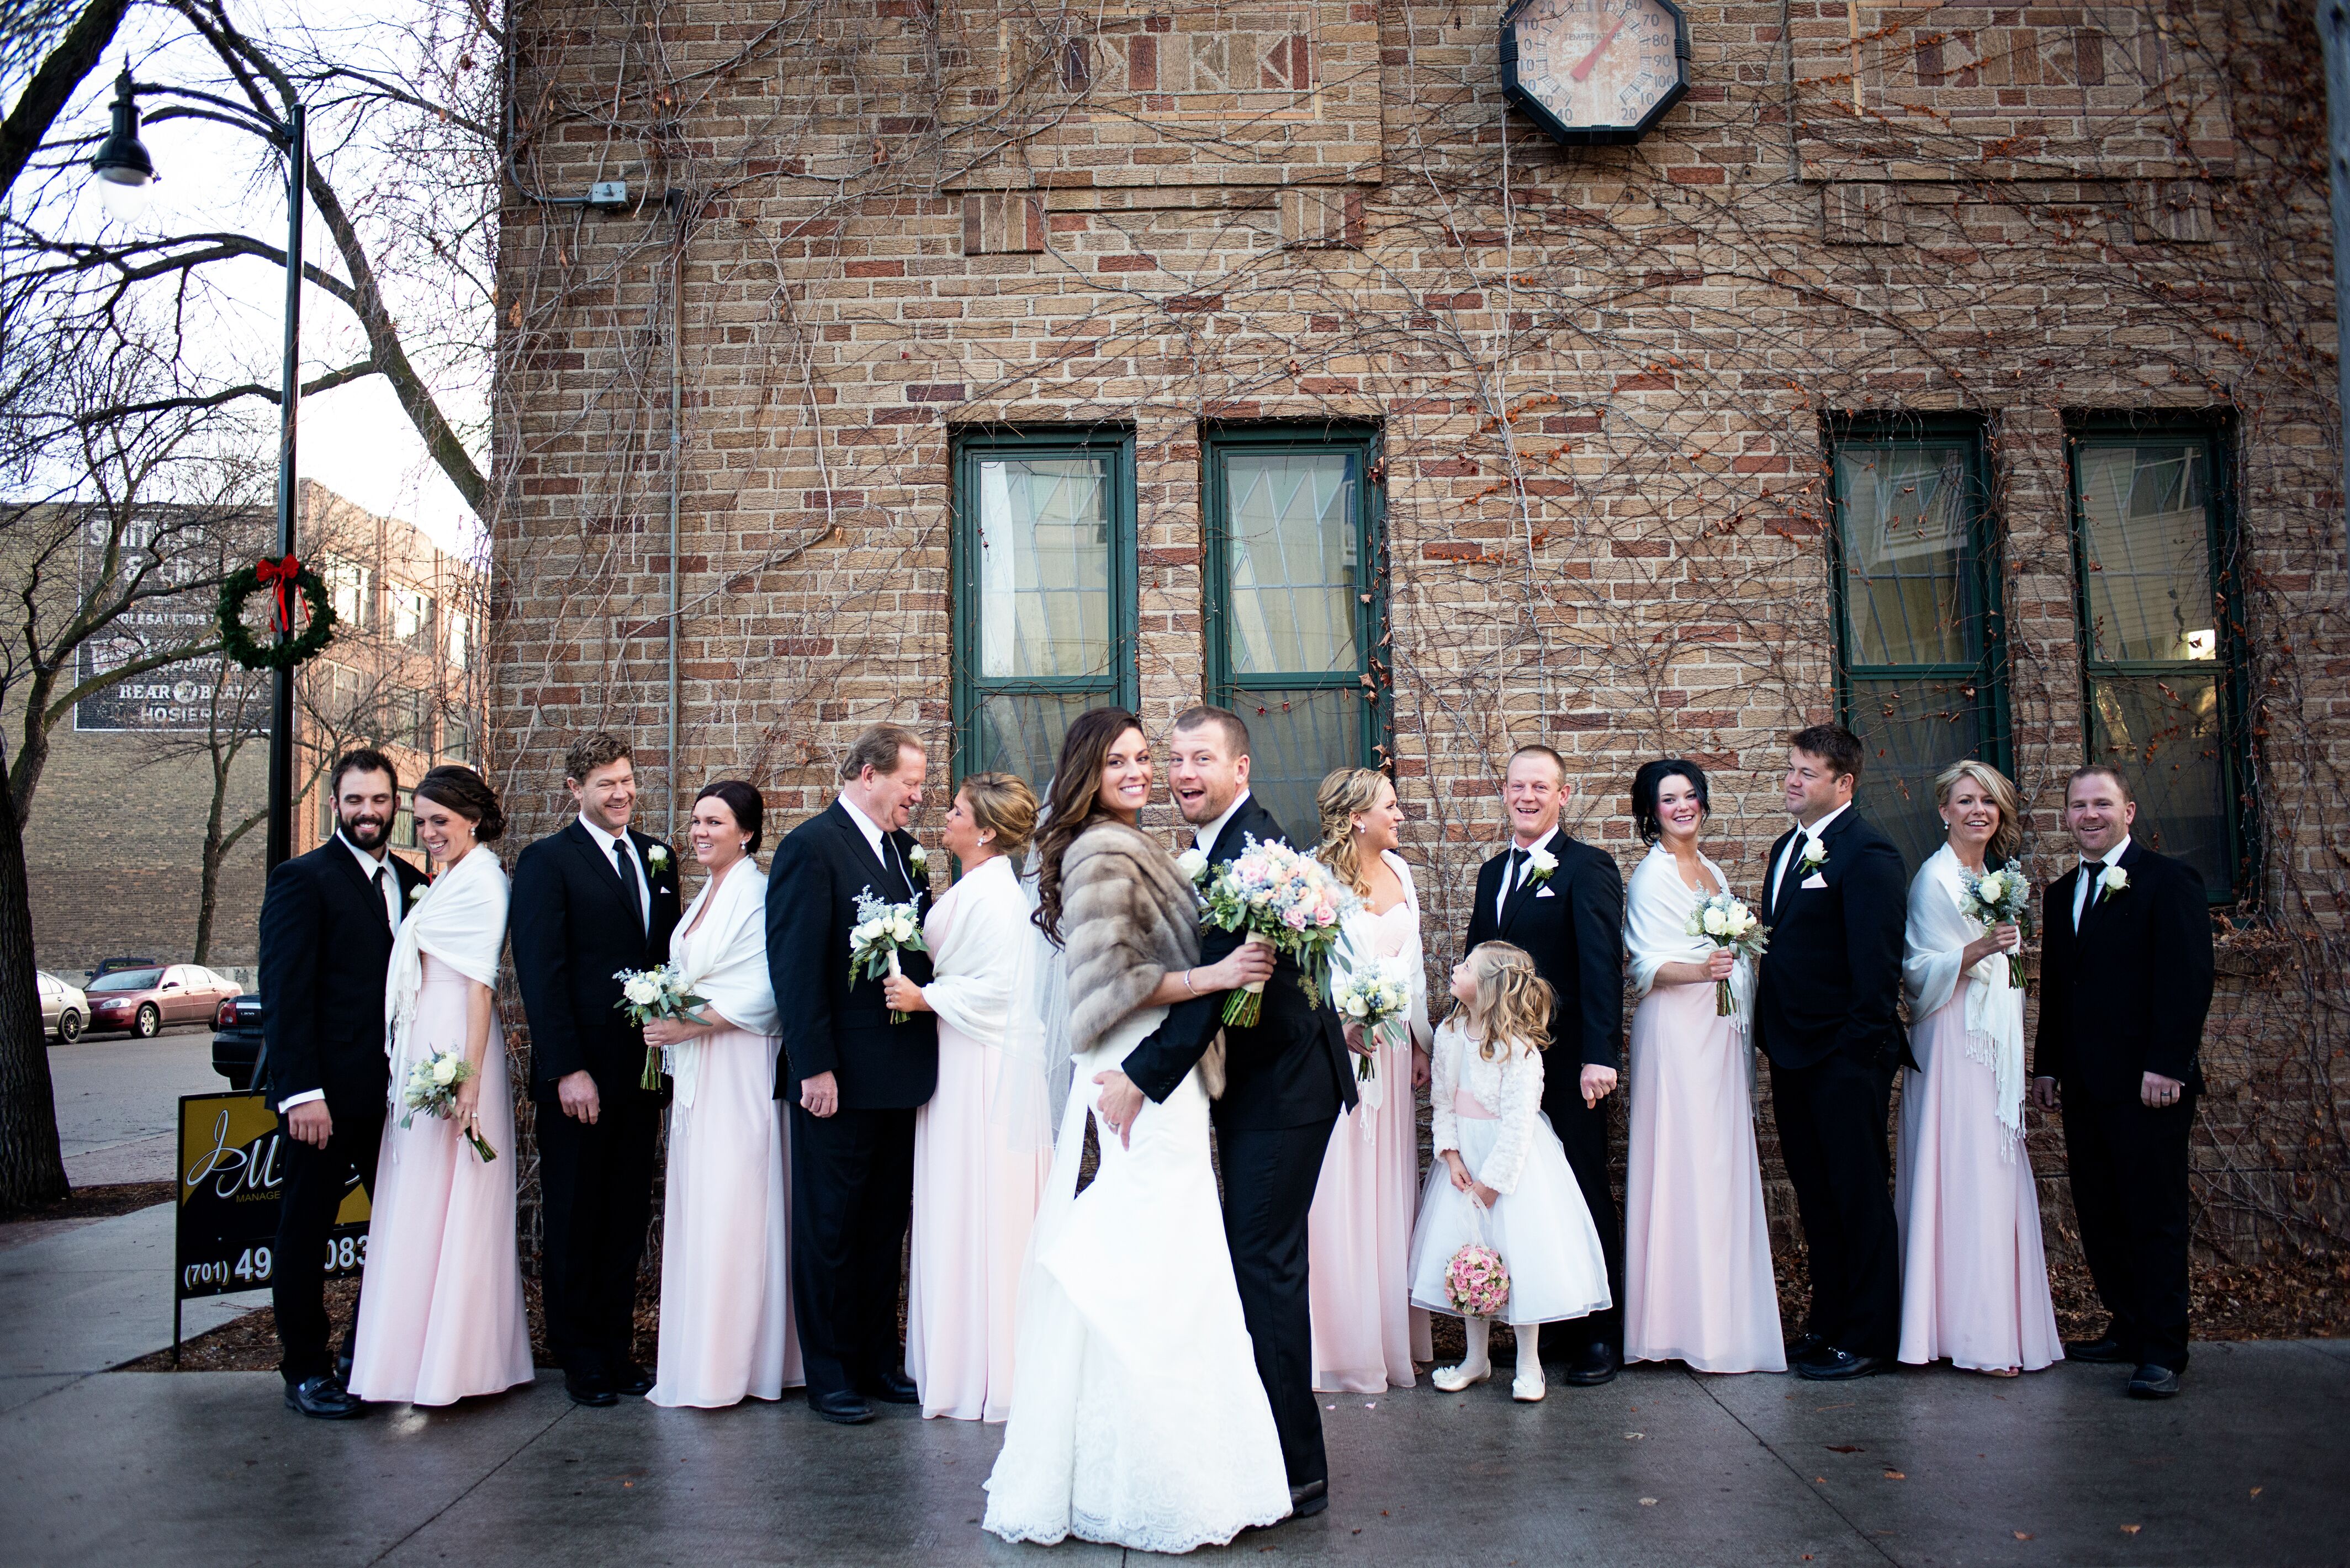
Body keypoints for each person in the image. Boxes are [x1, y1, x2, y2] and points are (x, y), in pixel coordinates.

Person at [983, 707, 1293, 1551]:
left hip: (1162, 1074)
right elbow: (1114, 978)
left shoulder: (1132, 844)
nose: (1140, 771)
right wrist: (1216, 974)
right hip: (1136, 1070)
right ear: (1087, 772)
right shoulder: (1099, 851)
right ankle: (1149, 1472)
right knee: (1152, 1253)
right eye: (1119, 761)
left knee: (1167, 1252)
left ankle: (1152, 1460)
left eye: (1144, 757)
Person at [1098, 705, 1357, 1516]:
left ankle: (1297, 1468)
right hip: (1253, 1090)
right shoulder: (1212, 851)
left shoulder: (1252, 854)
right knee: (1257, 1270)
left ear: (1240, 769)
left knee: (1267, 1272)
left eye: (1200, 759)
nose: (1182, 775)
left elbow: (1213, 992)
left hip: (1282, 1095)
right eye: (1175, 760)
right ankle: (1263, 1448)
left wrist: (1139, 1075)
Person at [764, 723, 936, 1426]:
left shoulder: (903, 852)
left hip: (898, 1075)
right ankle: (830, 1370)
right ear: (868, 774)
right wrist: (816, 1066)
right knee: (829, 1227)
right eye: (910, 783)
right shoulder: (810, 847)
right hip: (836, 1078)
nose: (918, 797)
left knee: (880, 1225)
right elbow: (795, 966)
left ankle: (877, 1360)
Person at [346, 767, 533, 1406]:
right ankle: (408, 1358)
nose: (428, 833)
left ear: (472, 819)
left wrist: (469, 1081)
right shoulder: (446, 877)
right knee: (419, 1200)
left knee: (454, 1204)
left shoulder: (483, 878)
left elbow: (481, 984)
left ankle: (457, 1362)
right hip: (425, 1040)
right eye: (421, 821)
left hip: (456, 1049)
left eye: (440, 821)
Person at [509, 732, 684, 1407]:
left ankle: (616, 1348)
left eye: (628, 780)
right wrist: (566, 1069)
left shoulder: (657, 856)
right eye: (606, 783)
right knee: (577, 1213)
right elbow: (541, 972)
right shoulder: (547, 861)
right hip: (580, 1077)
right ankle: (579, 1355)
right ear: (575, 790)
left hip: (641, 1073)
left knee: (623, 1214)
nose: (621, 793)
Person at [2032, 765, 2215, 1400]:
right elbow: (2057, 989)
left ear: (2128, 811)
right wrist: (2047, 1066)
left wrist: (2167, 1064)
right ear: (2066, 815)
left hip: (2148, 1085)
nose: (2089, 815)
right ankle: (2127, 1323)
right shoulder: (2059, 894)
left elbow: (2187, 979)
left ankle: (2163, 1347)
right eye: (2078, 805)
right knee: (2099, 1210)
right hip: (2084, 1084)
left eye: (2101, 804)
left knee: (2152, 1214)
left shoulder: (2169, 881)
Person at [257, 749, 429, 1418]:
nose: (368, 811)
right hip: (324, 1099)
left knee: (399, 1224)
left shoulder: (413, 882)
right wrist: (301, 1091)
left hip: (394, 1098)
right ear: (335, 804)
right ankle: (303, 1366)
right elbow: (285, 991)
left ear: (396, 804)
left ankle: (366, 1353)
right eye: (355, 800)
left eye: (380, 800)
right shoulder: (303, 878)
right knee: (304, 1227)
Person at [887, 772, 1053, 1422]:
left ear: (984, 829)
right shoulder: (974, 886)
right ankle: (954, 1355)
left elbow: (999, 992)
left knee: (985, 1201)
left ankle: (986, 1364)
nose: (945, 816)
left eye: (956, 810)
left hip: (984, 1066)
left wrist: (925, 996)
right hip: (956, 1059)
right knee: (956, 1200)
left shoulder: (996, 897)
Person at [1462, 742, 1626, 1387]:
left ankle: (1598, 1333)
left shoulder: (1588, 867)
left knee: (1582, 1189)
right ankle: (1545, 1326)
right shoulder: (1488, 872)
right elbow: (1478, 966)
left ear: (1563, 794)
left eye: (1539, 787)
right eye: (1515, 786)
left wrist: (1598, 1057)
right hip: (1504, 1067)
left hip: (1566, 1066)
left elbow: (1600, 967)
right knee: (1525, 1197)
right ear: (1503, 792)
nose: (1525, 797)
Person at [1896, 760, 2063, 1377]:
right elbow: (1916, 970)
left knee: (1991, 1171)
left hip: (1991, 1042)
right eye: (1964, 800)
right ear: (1943, 811)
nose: (1977, 811)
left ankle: (1996, 1322)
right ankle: (1965, 1331)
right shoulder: (1933, 880)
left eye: (1988, 802)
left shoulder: (1993, 877)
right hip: (1952, 1036)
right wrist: (1978, 949)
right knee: (1961, 1169)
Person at [1753, 724, 1909, 1381]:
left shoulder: (1867, 853)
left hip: (1844, 1058)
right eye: (1789, 768)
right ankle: (1827, 1323)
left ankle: (1869, 1334)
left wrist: (1851, 1052)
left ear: (1843, 783)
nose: (1792, 780)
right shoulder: (1785, 848)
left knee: (1857, 1196)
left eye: (1806, 772)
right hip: (1791, 1053)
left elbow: (1875, 969)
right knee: (1816, 1196)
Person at [1619, 759, 1785, 1375]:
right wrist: (1704, 969)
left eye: (1690, 795)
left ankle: (1726, 1319)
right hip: (1677, 1035)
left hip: (1718, 1034)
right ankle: (1675, 1326)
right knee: (1684, 1164)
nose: (1683, 805)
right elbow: (1644, 965)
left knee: (1719, 1166)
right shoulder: (1651, 876)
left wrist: (1730, 964)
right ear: (1650, 811)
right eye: (1668, 799)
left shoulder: (1712, 870)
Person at [645, 781, 803, 1408]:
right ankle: (699, 1358)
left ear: (747, 832)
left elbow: (768, 989)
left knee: (735, 1206)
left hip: (738, 1064)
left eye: (714, 820)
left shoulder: (758, 895)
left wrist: (689, 1022)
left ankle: (737, 1364)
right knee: (702, 1206)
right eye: (695, 820)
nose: (700, 831)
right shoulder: (703, 897)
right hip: (698, 1073)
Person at [1406, 942, 1611, 1402]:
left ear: (1491, 986)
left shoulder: (1520, 1049)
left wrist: (1493, 1183)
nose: (1455, 969)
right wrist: (1452, 1156)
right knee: (1470, 1257)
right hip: (1464, 1164)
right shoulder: (1450, 1033)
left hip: (1512, 1166)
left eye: (1466, 967)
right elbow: (1441, 1101)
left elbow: (1520, 1124)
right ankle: (1475, 1360)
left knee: (1518, 1258)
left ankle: (1529, 1364)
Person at [1305, 766, 1432, 1394]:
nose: (1400, 814)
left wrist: (1418, 1041)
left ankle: (1384, 1335)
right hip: (1338, 1050)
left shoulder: (1402, 873)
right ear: (1357, 816)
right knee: (1336, 1183)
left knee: (1387, 1186)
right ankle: (1336, 1341)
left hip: (1390, 1049)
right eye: (1390, 804)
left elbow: (1414, 969)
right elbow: (1305, 970)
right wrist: (1340, 1020)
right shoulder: (1315, 879)